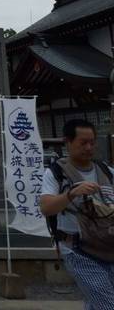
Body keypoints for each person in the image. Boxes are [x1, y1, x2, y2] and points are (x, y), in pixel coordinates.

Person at [41, 119, 114, 310]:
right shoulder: (56, 173)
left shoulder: (107, 171)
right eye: (83, 142)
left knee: (97, 302)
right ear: (68, 142)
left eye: (92, 142)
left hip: (108, 246)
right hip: (77, 249)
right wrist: (71, 193)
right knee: (107, 304)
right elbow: (46, 207)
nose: (89, 147)